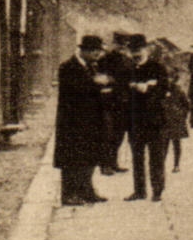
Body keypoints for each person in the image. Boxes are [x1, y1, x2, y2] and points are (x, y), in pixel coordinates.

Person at [54, 35, 112, 205]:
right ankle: (69, 194)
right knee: (72, 158)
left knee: (89, 156)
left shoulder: (90, 66)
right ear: (83, 50)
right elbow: (76, 91)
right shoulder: (68, 67)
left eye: (99, 51)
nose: (98, 55)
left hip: (90, 119)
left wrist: (102, 84)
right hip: (73, 121)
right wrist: (97, 84)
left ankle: (86, 190)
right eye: (94, 51)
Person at [124, 36, 171, 202]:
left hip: (155, 120)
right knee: (137, 158)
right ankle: (139, 191)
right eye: (132, 51)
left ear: (146, 50)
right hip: (135, 121)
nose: (135, 54)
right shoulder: (128, 69)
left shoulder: (158, 67)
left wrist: (147, 89)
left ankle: (157, 190)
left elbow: (164, 89)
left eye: (138, 50)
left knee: (156, 158)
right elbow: (123, 92)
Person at [96, 31, 135, 174]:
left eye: (124, 45)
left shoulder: (128, 60)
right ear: (114, 43)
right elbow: (99, 78)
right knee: (108, 133)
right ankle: (105, 164)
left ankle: (113, 162)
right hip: (108, 101)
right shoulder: (104, 59)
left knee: (119, 134)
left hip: (124, 101)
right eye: (119, 44)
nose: (121, 47)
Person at [161, 63, 191, 173]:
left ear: (175, 79)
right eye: (167, 77)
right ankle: (161, 165)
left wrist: (181, 116)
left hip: (176, 121)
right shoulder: (161, 91)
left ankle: (176, 164)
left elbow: (186, 105)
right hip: (164, 120)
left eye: (171, 78)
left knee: (176, 144)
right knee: (163, 144)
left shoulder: (179, 91)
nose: (169, 80)